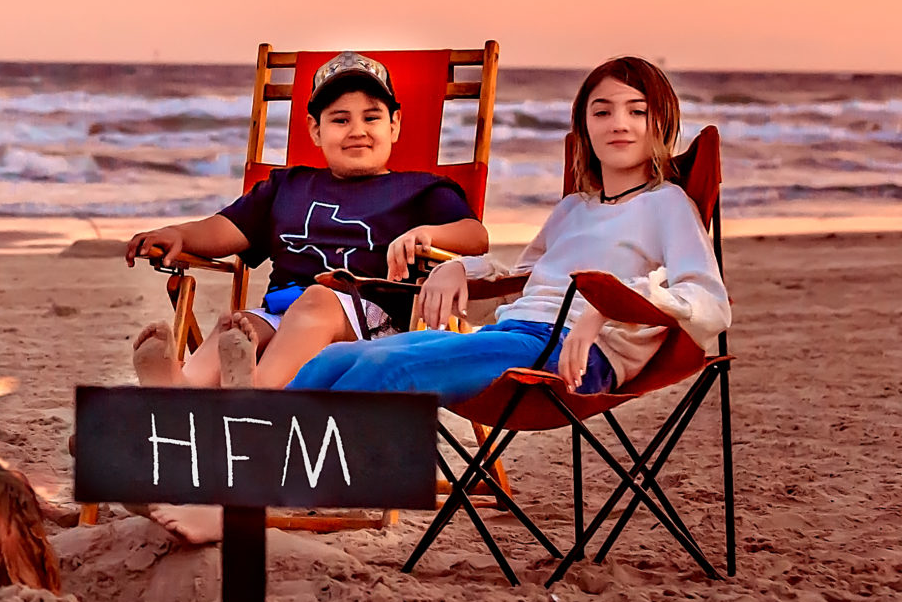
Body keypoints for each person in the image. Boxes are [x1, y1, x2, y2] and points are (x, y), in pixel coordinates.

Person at [287, 55, 728, 403]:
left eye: (638, 111)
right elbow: (520, 282)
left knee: (388, 371)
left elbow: (709, 303)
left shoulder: (667, 203)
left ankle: (283, 482)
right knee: (336, 358)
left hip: (568, 356)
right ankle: (254, 479)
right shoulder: (574, 209)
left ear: (662, 123)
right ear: (584, 126)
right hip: (512, 333)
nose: (619, 123)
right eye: (602, 111)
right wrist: (459, 270)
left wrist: (608, 307)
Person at [123, 52, 490, 389]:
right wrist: (179, 235)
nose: (357, 131)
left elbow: (475, 236)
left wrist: (427, 232)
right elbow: (226, 228)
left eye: (372, 117)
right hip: (280, 310)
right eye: (340, 120)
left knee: (317, 300)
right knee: (236, 327)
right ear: (315, 130)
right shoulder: (288, 185)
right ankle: (176, 388)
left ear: (394, 125)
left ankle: (258, 387)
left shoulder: (420, 190)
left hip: (368, 323)